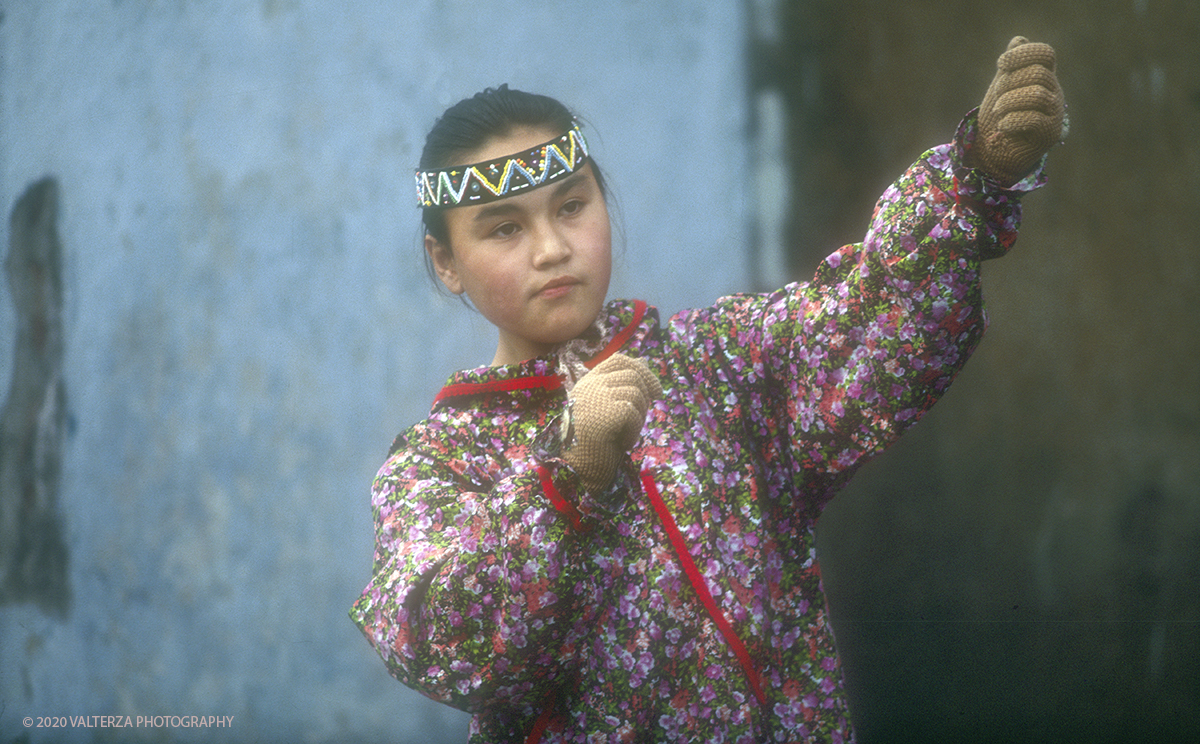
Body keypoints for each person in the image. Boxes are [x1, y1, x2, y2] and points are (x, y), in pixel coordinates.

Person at [350, 37, 1065, 743]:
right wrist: (564, 477)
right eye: (504, 228)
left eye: (571, 206)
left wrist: (974, 176)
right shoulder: (438, 465)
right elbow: (450, 649)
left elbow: (871, 316)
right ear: (445, 261)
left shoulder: (717, 365)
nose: (551, 248)